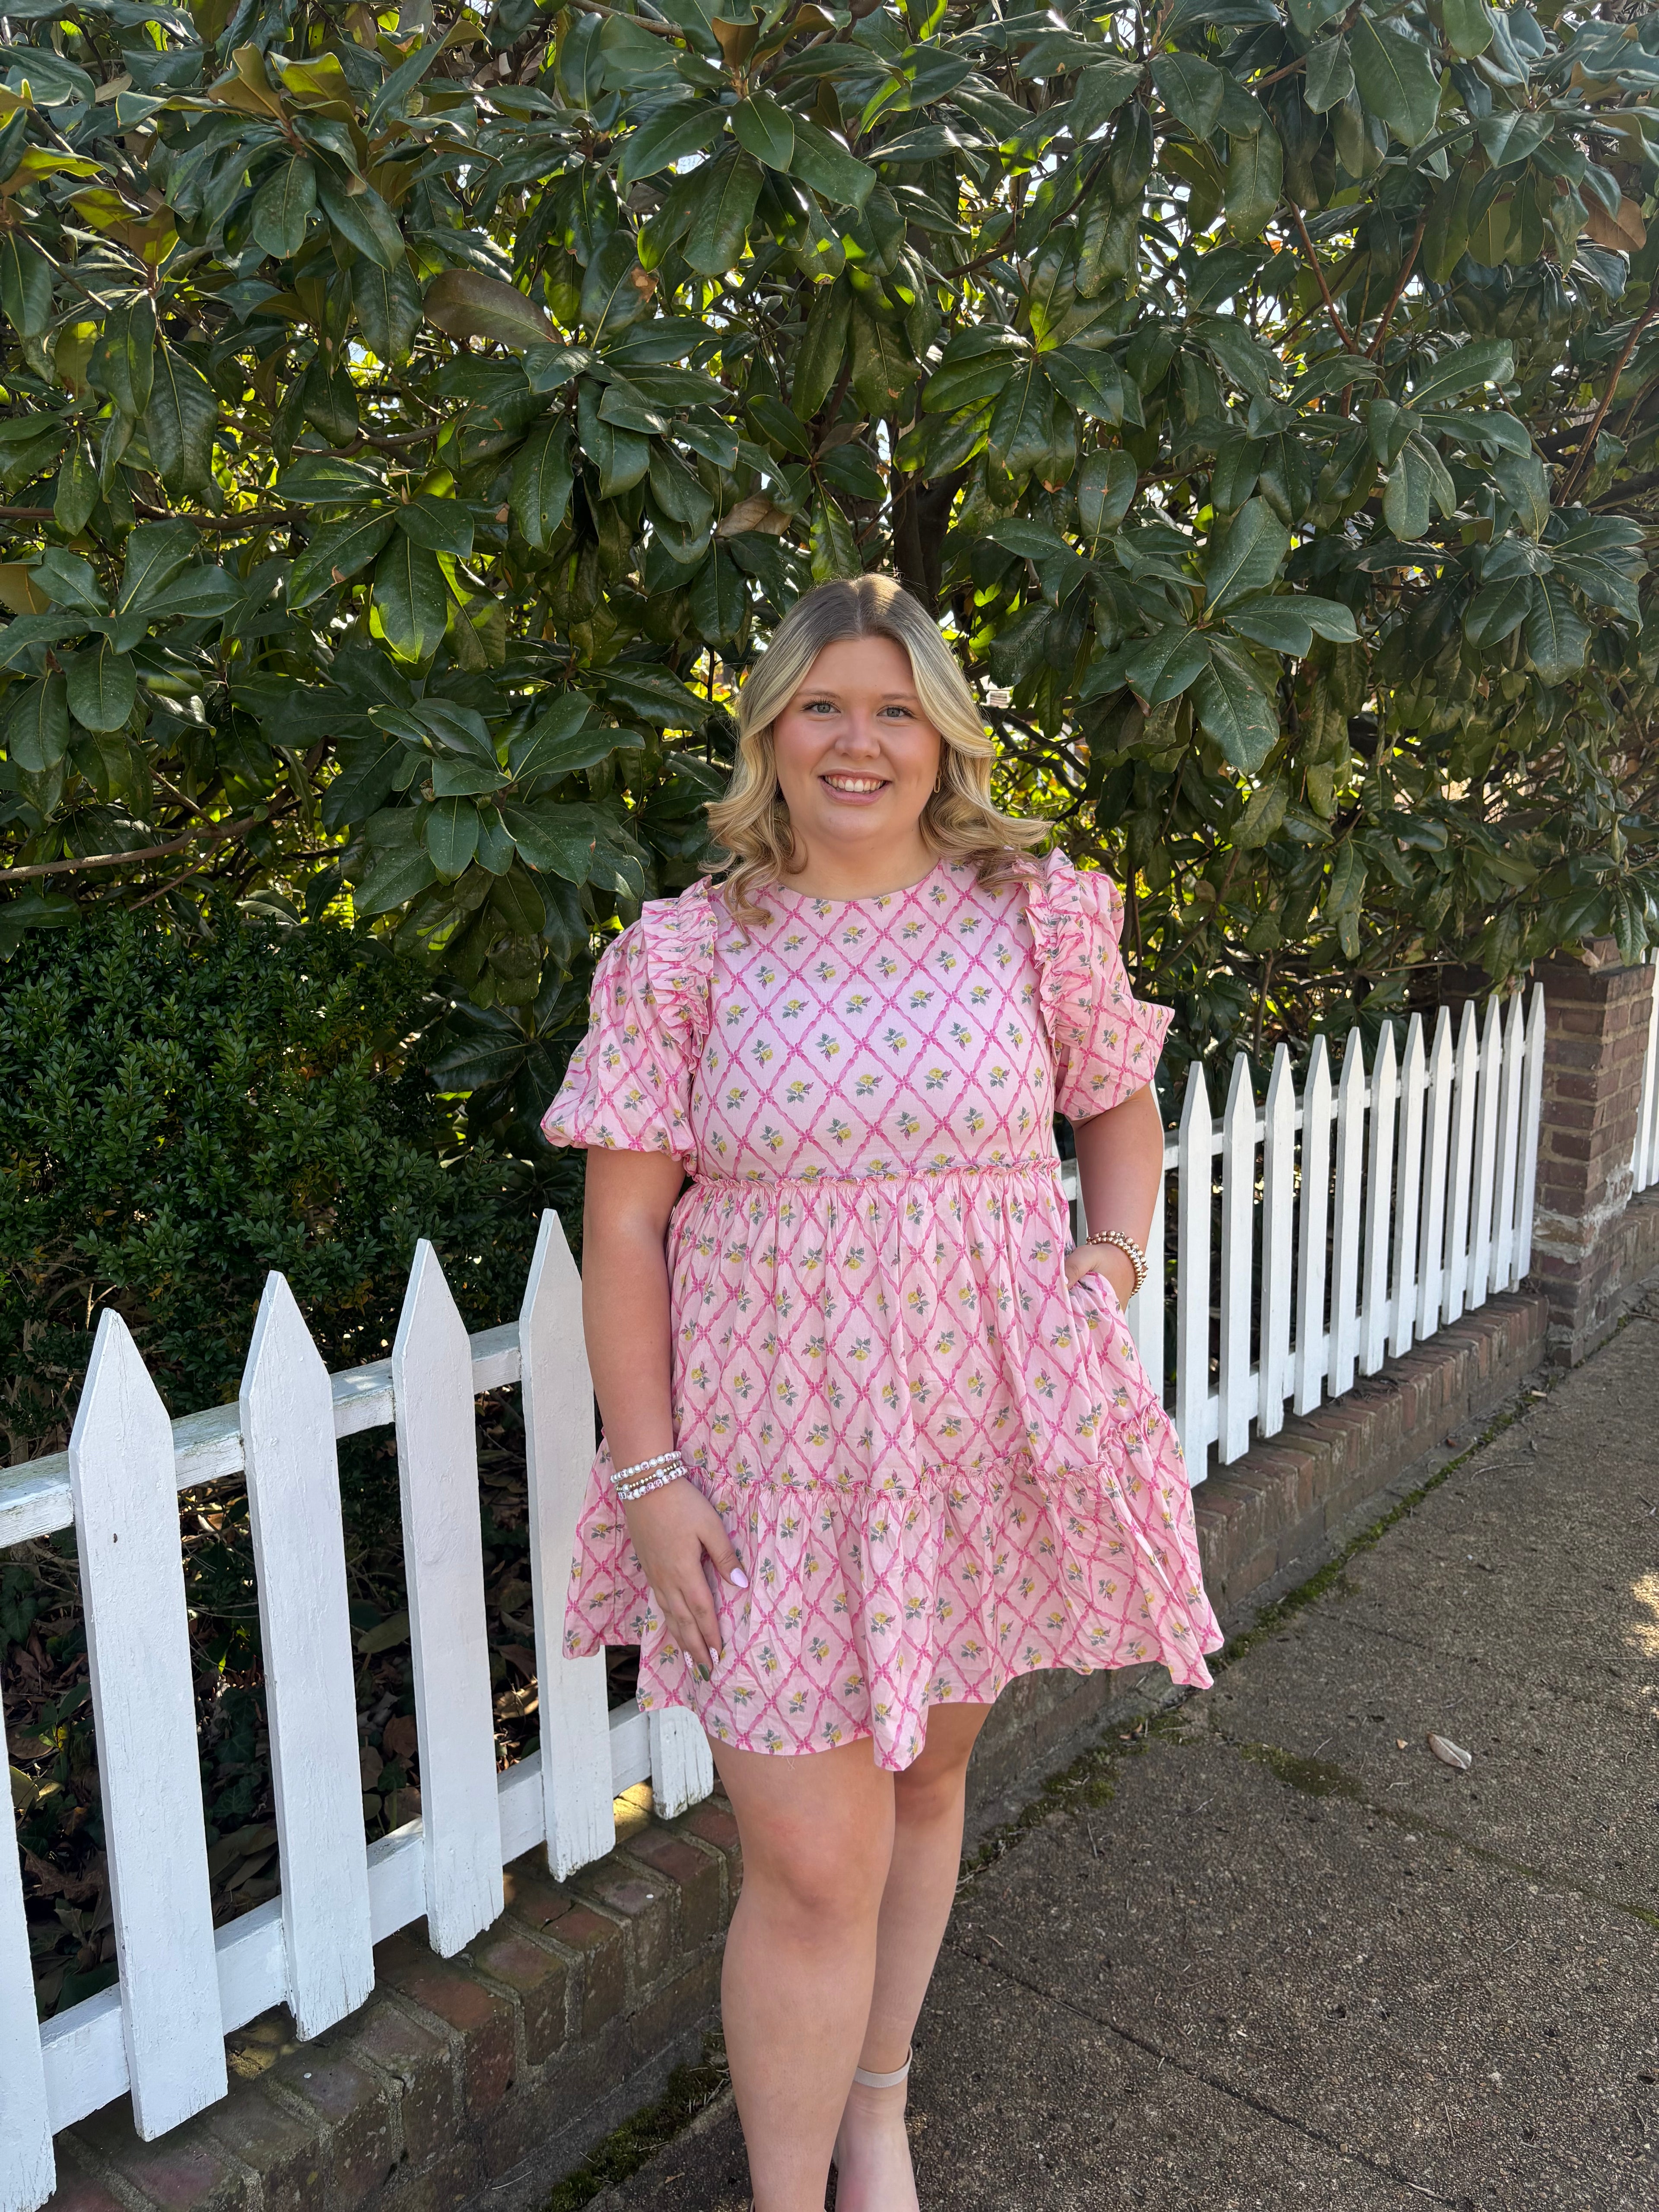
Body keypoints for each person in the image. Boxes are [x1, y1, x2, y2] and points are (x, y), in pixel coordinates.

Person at [541, 575, 1224, 2212]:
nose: (860, 742)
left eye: (896, 710)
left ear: (945, 737)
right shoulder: (688, 954)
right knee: (809, 1861)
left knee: (925, 1786)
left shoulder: (1034, 915)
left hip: (976, 1435)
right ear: (773, 732)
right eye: (825, 707)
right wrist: (650, 1477)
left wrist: (1107, 1266)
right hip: (768, 1464)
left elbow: (1116, 1112)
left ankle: (878, 2112)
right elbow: (624, 1228)